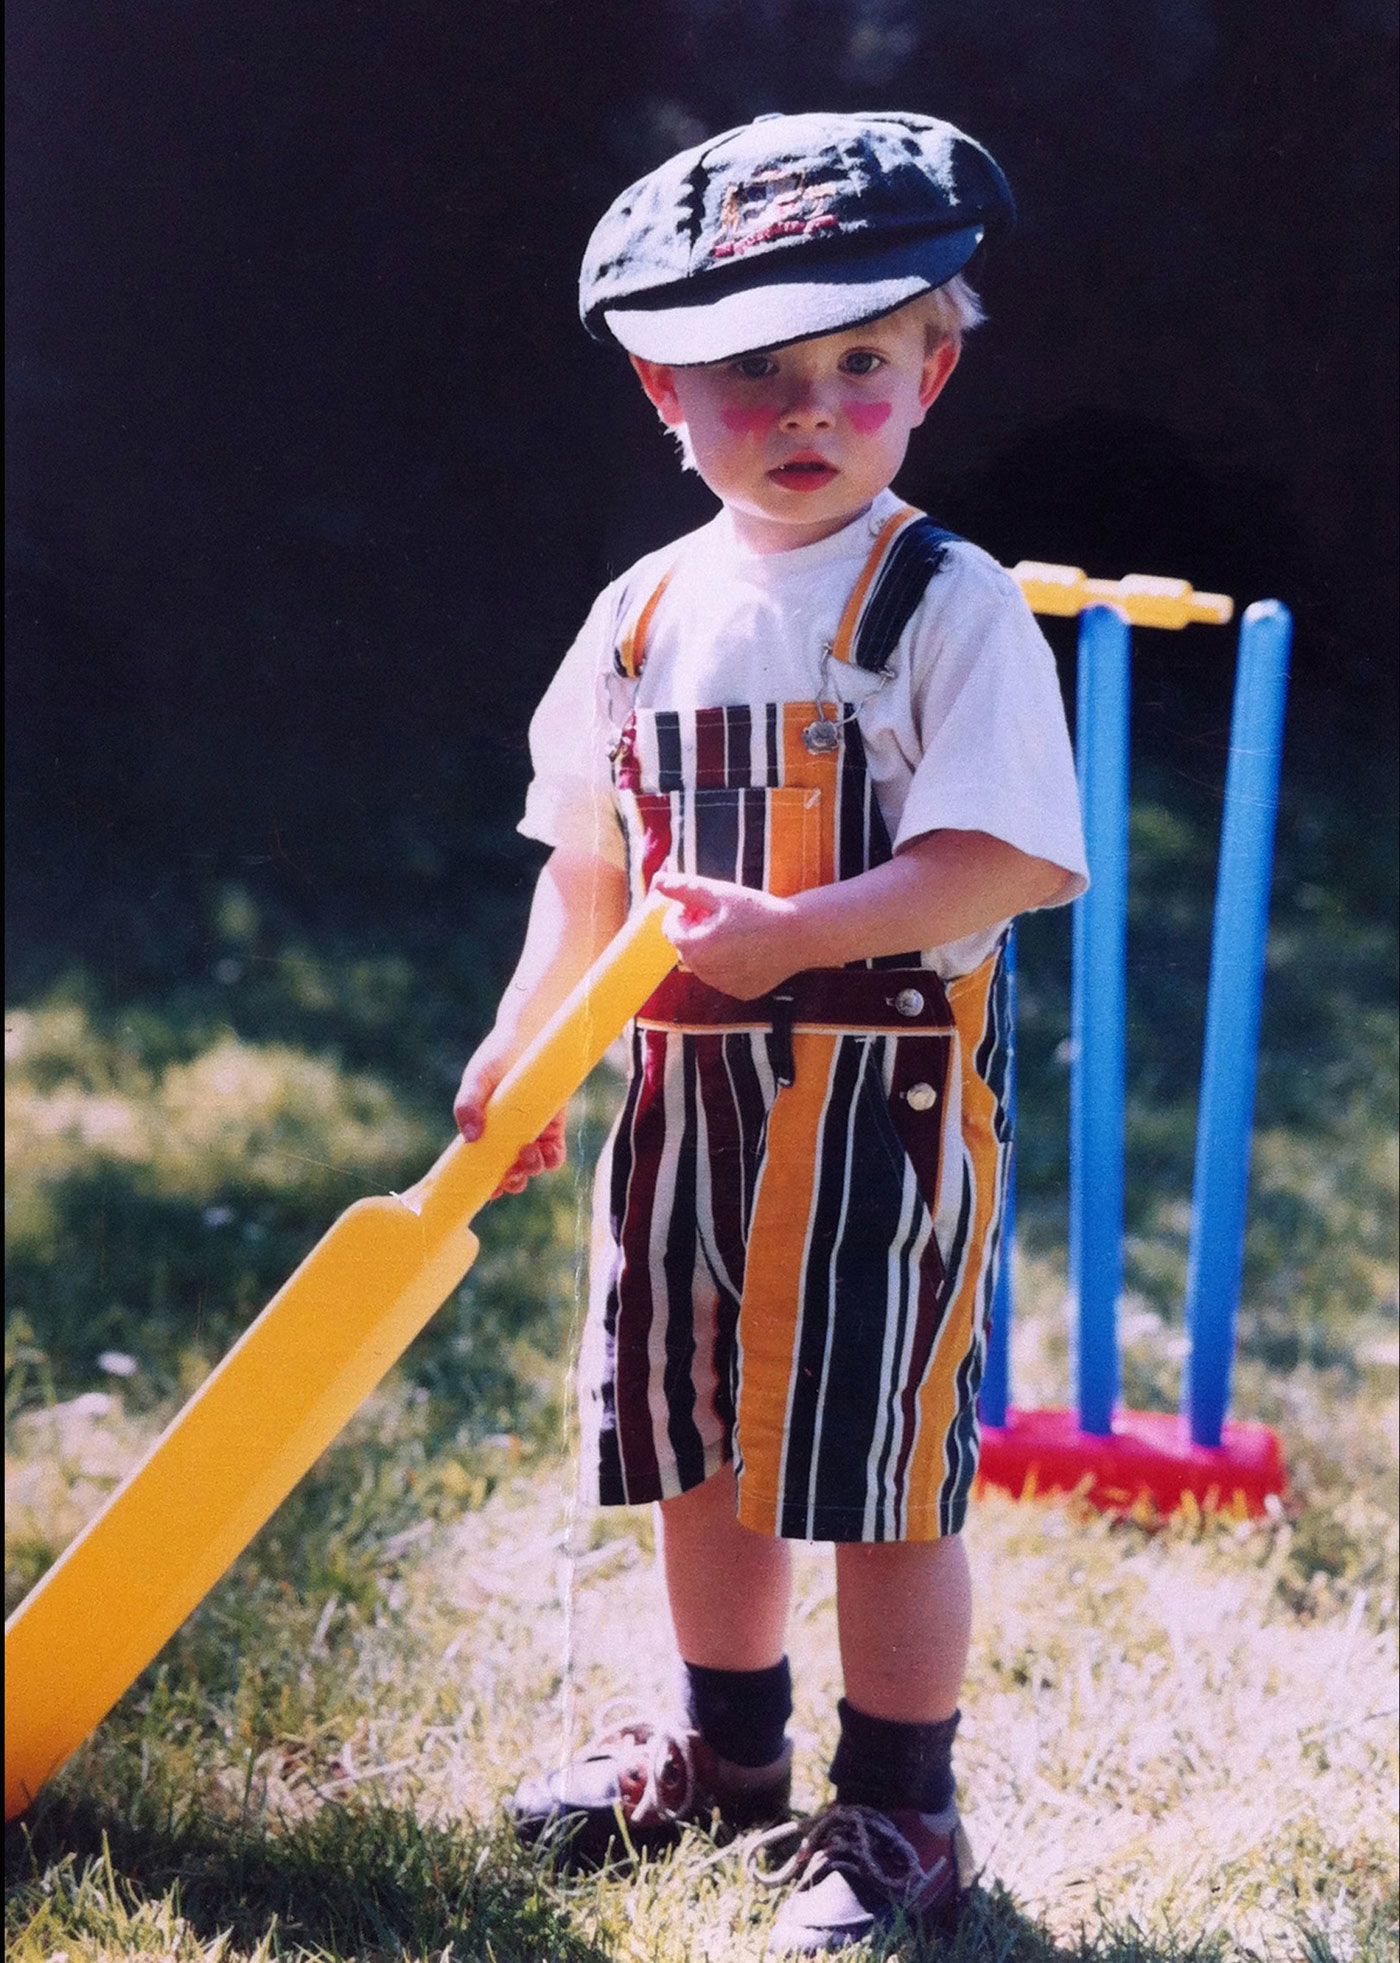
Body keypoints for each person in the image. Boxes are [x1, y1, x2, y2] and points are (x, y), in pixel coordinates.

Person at [453, 110, 1087, 1954]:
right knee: (698, 1440)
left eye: (858, 365)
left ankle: (897, 1811)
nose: (806, 408)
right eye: (748, 376)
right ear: (663, 387)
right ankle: (723, 1757)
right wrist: (529, 1037)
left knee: (870, 1464)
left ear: (932, 372)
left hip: (877, 1109)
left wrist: (797, 933)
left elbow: (996, 860)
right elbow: (583, 862)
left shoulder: (948, 607)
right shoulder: (643, 615)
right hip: (675, 1103)